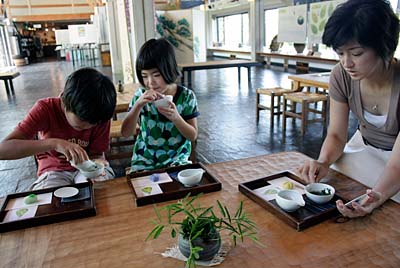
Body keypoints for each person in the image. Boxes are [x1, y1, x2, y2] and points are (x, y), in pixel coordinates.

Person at [299, 0, 400, 218]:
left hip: (397, 162)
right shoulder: (341, 75)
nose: (346, 63)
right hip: (364, 148)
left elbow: (396, 167)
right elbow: (336, 134)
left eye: (356, 53)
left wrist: (375, 199)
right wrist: (323, 161)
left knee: (387, 209)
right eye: (340, 53)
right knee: (336, 187)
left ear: (385, 46)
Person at [0, 67, 117, 189]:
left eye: (93, 124)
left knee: (100, 192)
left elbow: (97, 154)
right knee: (50, 201)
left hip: (88, 167)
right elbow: (3, 150)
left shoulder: (99, 115)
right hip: (54, 171)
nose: (87, 127)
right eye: (81, 122)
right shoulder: (45, 109)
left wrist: (98, 166)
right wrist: (54, 144)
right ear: (65, 102)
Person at [121, 38, 199, 172]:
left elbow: (192, 136)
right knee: (143, 189)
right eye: (144, 76)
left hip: (177, 159)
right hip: (145, 159)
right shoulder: (140, 95)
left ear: (169, 69)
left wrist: (176, 117)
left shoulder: (186, 97)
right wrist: (138, 105)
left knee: (181, 187)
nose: (150, 82)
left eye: (156, 75)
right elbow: (126, 133)